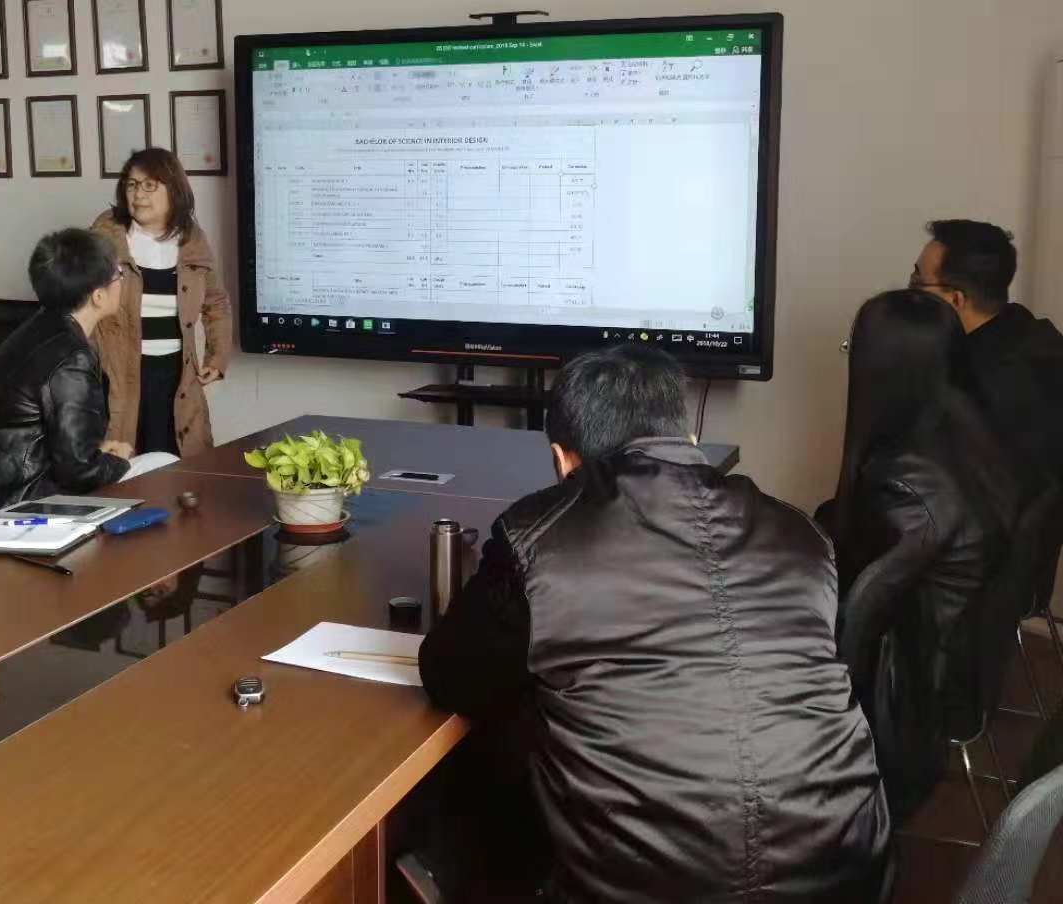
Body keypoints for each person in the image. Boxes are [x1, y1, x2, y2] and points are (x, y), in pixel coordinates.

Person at [419, 345, 890, 903]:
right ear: (688, 438)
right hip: (844, 871)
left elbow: (452, 677)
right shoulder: (801, 534)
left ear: (561, 460)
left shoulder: (537, 536)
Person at [827, 289, 1018, 816]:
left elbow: (852, 630)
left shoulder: (906, 487)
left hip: (890, 723)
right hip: (938, 687)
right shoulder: (968, 437)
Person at [0, 229, 130, 507]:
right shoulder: (71, 357)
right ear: (98, 296)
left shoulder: (32, 329)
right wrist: (119, 460)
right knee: (163, 464)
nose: (121, 281)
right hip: (28, 500)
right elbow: (79, 472)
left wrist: (97, 454)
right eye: (118, 274)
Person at [89, 148, 231, 459]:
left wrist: (217, 357)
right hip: (119, 374)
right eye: (131, 185)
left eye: (149, 185)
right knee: (123, 463)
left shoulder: (192, 239)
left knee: (179, 464)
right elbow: (79, 305)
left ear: (174, 189)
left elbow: (216, 302)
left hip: (175, 375)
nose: (138, 194)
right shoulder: (104, 237)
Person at [912, 219, 1063, 495]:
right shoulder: (1032, 333)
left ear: (956, 300)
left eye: (917, 282)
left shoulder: (975, 390)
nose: (908, 292)